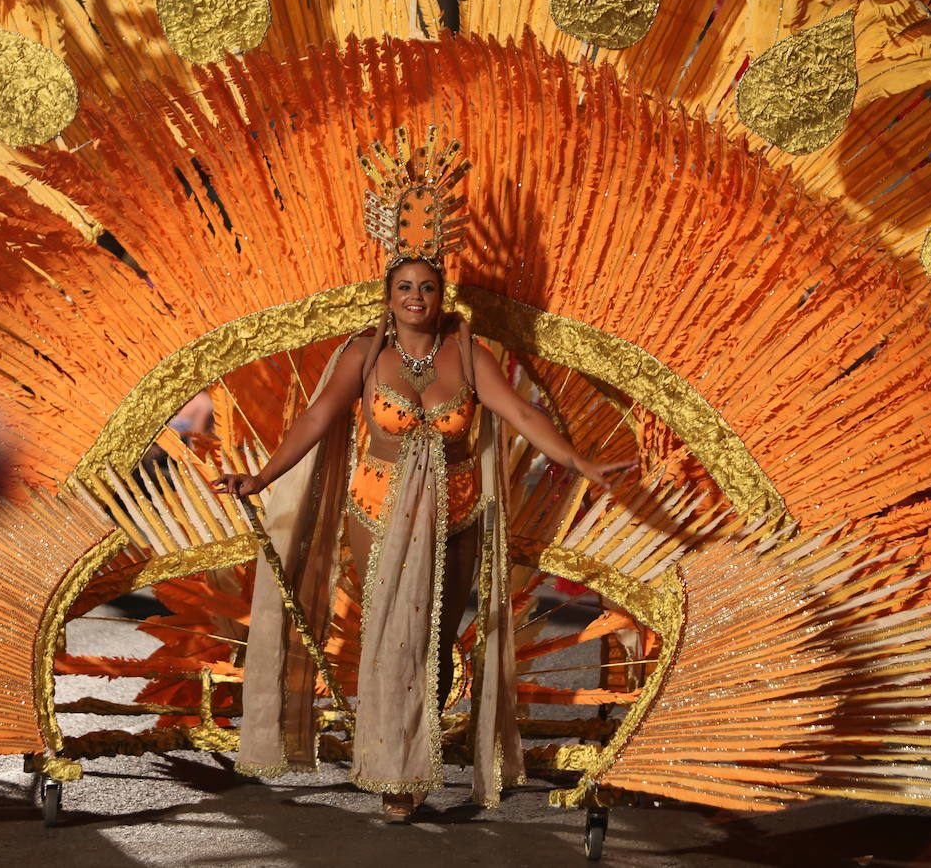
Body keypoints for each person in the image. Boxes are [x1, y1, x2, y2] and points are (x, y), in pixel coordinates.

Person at [217, 129, 635, 822]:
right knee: (388, 634)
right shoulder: (364, 352)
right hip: (374, 507)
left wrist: (580, 461)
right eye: (405, 286)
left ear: (443, 293)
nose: (417, 296)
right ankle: (392, 774)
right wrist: (259, 479)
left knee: (436, 640)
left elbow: (524, 421)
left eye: (428, 286)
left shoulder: (468, 355)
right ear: (389, 294)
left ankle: (414, 760)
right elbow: (317, 419)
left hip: (457, 508)